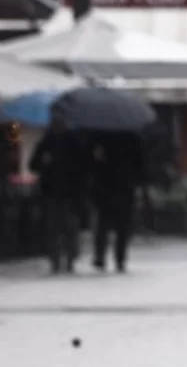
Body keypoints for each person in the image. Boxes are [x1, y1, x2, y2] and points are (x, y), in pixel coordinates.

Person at [28, 115, 87, 274]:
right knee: (55, 227)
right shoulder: (47, 142)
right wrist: (43, 163)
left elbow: (82, 167)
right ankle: (57, 258)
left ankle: (68, 257)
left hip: (68, 192)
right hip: (53, 192)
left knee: (67, 226)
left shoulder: (73, 142)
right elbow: (33, 164)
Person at [90, 132, 145, 273]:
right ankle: (116, 258)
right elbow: (140, 167)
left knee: (108, 226)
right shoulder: (131, 139)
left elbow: (139, 166)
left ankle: (107, 256)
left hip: (113, 190)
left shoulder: (103, 138)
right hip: (116, 190)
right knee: (117, 227)